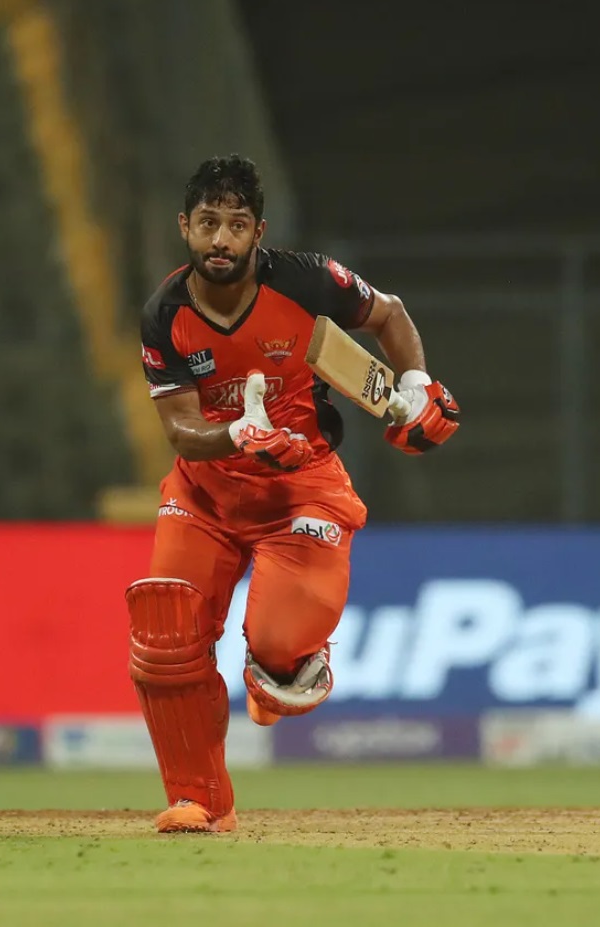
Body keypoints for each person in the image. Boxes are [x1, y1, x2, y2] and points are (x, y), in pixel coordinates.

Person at [129, 154, 460, 833]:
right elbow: (182, 432)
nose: (220, 240)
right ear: (184, 227)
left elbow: (389, 315)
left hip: (300, 489)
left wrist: (416, 385)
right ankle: (199, 801)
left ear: (259, 232)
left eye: (236, 225)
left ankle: (287, 662)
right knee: (165, 634)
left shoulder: (309, 281)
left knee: (277, 647)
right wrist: (237, 434)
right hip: (206, 494)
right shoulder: (164, 314)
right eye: (207, 224)